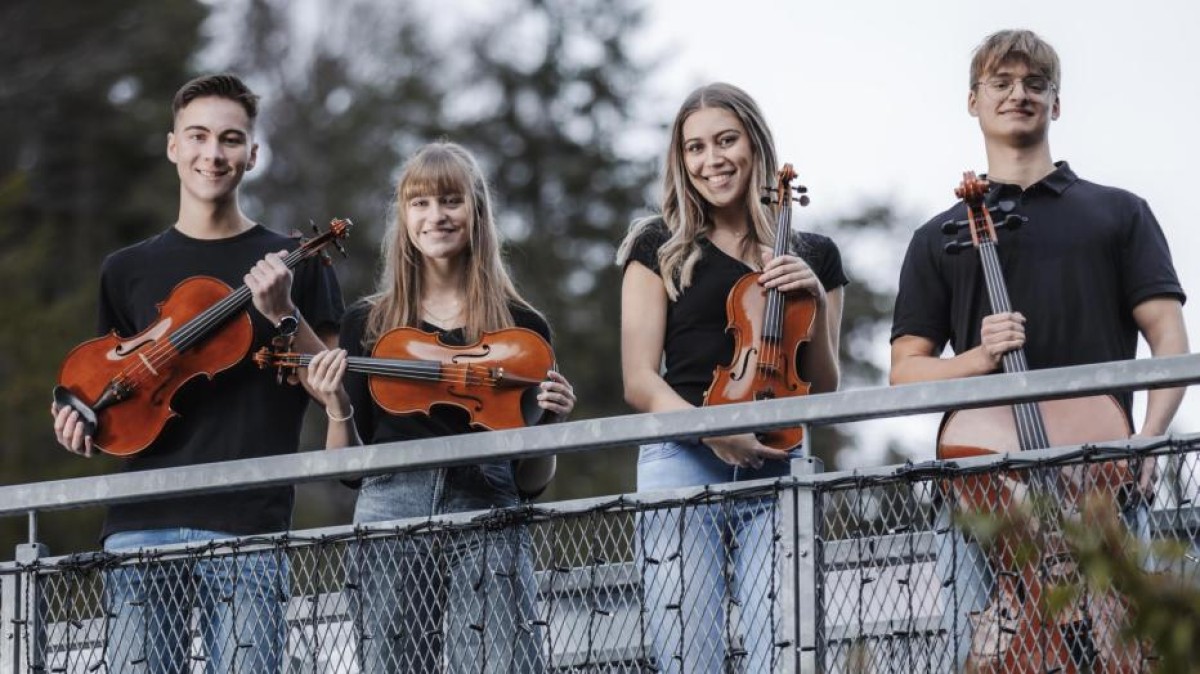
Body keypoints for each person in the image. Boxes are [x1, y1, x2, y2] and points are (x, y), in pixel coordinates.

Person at [890, 29, 1189, 670]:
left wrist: (1150, 439)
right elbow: (905, 374)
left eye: (1034, 84)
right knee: (978, 657)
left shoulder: (1119, 213)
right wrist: (977, 358)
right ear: (973, 101)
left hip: (1101, 480)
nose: (1017, 94)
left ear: (1057, 104)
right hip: (982, 495)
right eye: (1000, 83)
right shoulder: (936, 238)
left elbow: (1170, 342)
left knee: (1126, 654)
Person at [50, 74, 344, 673]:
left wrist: (285, 313)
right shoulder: (125, 269)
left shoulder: (293, 264)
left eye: (231, 139)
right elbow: (118, 389)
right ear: (173, 146)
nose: (214, 154)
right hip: (138, 526)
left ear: (253, 154)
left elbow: (335, 390)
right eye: (199, 136)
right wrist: (81, 421)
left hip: (248, 528)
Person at [303, 141, 575, 673]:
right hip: (391, 509)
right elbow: (349, 474)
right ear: (404, 217)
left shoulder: (523, 328)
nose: (435, 216)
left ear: (476, 211)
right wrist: (336, 402)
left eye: (449, 201)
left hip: (490, 506)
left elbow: (530, 481)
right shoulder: (370, 324)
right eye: (420, 203)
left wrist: (553, 423)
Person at [616, 82, 847, 673]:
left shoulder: (814, 252)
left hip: (779, 460)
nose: (711, 160)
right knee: (687, 653)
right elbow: (639, 381)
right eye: (694, 148)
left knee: (785, 653)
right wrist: (709, 430)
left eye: (725, 141)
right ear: (680, 160)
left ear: (755, 144)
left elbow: (823, 388)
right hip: (680, 459)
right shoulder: (658, 245)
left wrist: (814, 298)